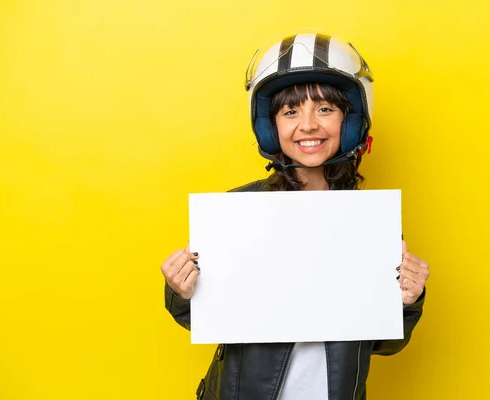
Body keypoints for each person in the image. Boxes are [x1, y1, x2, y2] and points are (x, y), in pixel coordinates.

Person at [161, 32, 430, 400]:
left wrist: (408, 299)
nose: (308, 125)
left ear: (351, 122)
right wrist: (182, 291)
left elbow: (383, 343)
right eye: (291, 111)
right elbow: (202, 320)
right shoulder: (237, 211)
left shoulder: (370, 223)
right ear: (270, 127)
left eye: (325, 109)